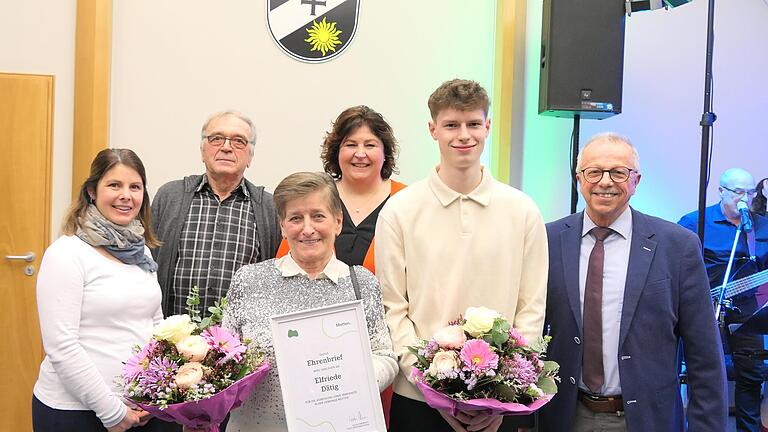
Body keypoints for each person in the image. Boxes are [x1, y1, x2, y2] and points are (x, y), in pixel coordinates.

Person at [375, 79, 548, 432]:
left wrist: (504, 392)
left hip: (499, 405)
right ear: (433, 129)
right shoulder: (400, 210)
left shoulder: (522, 210)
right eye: (451, 125)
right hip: (419, 400)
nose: (463, 135)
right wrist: (435, 389)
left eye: (473, 124)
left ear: (487, 126)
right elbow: (392, 308)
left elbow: (531, 308)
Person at [539, 133, 727, 431]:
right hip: (566, 416)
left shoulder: (677, 246)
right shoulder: (547, 240)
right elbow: (530, 331)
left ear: (636, 181)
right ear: (579, 178)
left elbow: (704, 353)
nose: (605, 181)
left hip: (647, 419)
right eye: (594, 171)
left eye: (618, 172)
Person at [220, 171, 398, 432]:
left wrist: (346, 377)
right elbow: (225, 356)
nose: (307, 229)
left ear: (337, 222)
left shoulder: (362, 282)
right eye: (295, 218)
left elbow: (385, 357)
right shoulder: (249, 281)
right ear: (282, 226)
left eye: (318, 216)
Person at [274, 105, 404, 425]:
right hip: (314, 354)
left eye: (370, 144)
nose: (360, 153)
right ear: (336, 151)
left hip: (383, 351)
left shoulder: (407, 203)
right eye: (350, 144)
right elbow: (284, 272)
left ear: (385, 152)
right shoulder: (316, 200)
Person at [32, 149, 170, 432]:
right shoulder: (67, 253)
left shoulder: (140, 250)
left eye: (135, 187)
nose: (126, 195)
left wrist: (156, 393)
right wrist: (111, 410)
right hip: (77, 413)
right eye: (114, 185)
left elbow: (154, 323)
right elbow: (62, 346)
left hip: (139, 408)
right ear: (92, 192)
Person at [151, 110, 281, 319]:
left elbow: (273, 279)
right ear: (202, 151)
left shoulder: (269, 207)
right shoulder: (170, 197)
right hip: (171, 341)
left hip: (238, 346)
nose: (227, 147)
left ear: (250, 156)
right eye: (216, 139)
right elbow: (146, 264)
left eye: (239, 141)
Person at [679, 168, 768, 432]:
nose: (745, 199)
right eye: (738, 192)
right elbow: (675, 266)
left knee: (751, 374)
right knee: (704, 374)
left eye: (751, 193)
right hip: (704, 310)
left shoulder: (762, 226)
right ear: (721, 191)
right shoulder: (695, 222)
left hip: (749, 312)